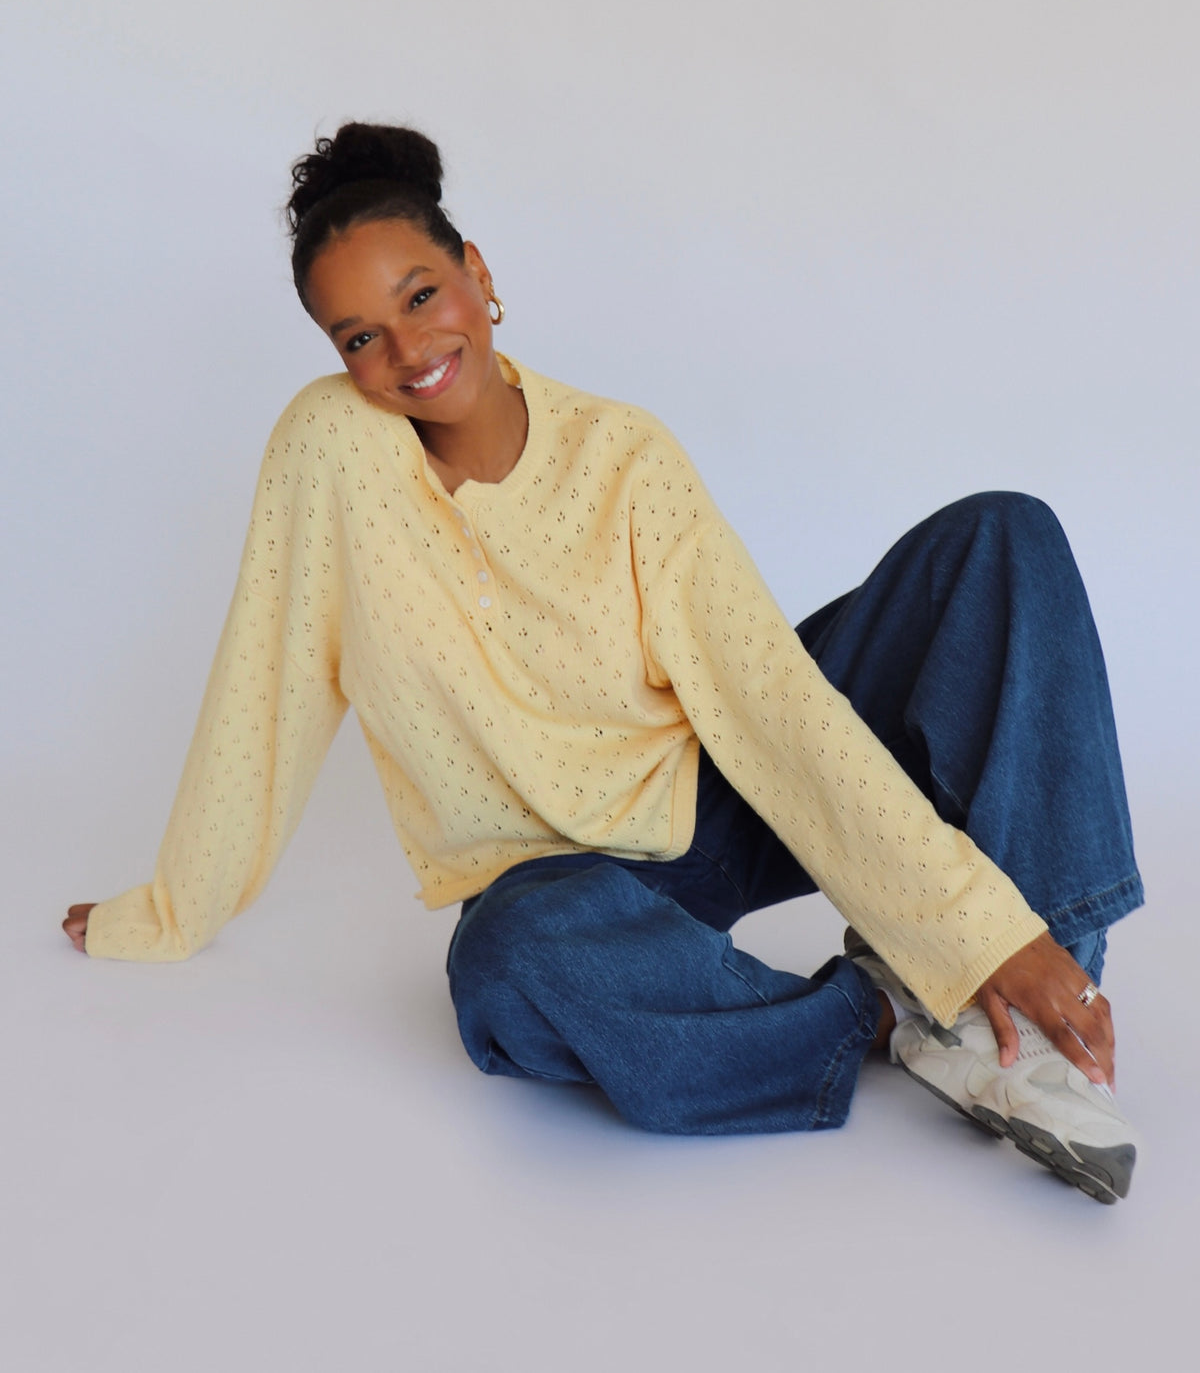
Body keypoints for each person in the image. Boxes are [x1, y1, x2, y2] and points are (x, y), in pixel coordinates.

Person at [63, 123, 1145, 1203]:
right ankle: (901, 1008)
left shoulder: (624, 454)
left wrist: (986, 929)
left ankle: (1035, 1022)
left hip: (715, 800)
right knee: (510, 970)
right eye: (357, 337)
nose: (403, 351)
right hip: (553, 888)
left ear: (477, 274)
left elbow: (767, 700)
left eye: (421, 296)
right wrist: (169, 908)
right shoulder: (328, 452)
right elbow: (265, 687)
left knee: (1002, 540)